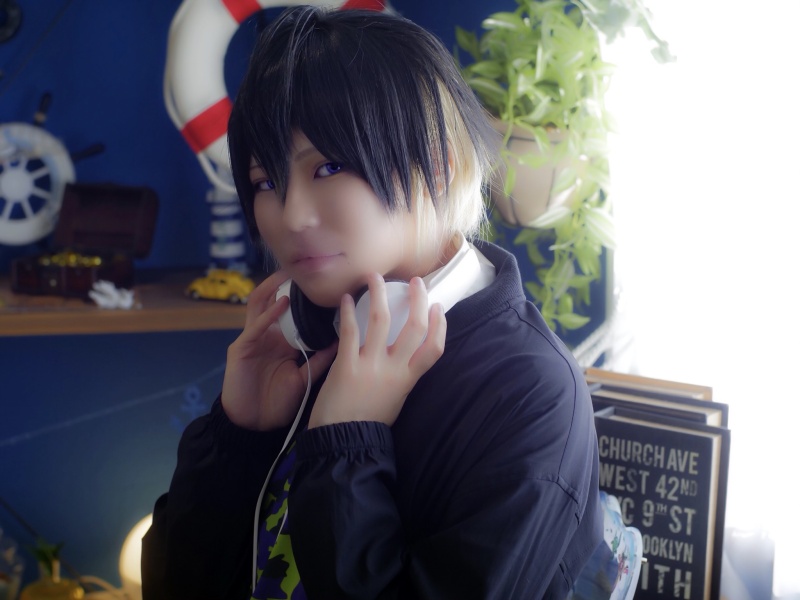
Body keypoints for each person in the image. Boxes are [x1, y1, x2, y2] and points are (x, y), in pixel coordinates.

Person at [141, 6, 602, 599]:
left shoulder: (529, 392)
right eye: (265, 182)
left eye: (329, 166)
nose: (291, 216)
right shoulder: (306, 341)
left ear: (438, 165)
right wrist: (237, 438)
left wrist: (348, 443)